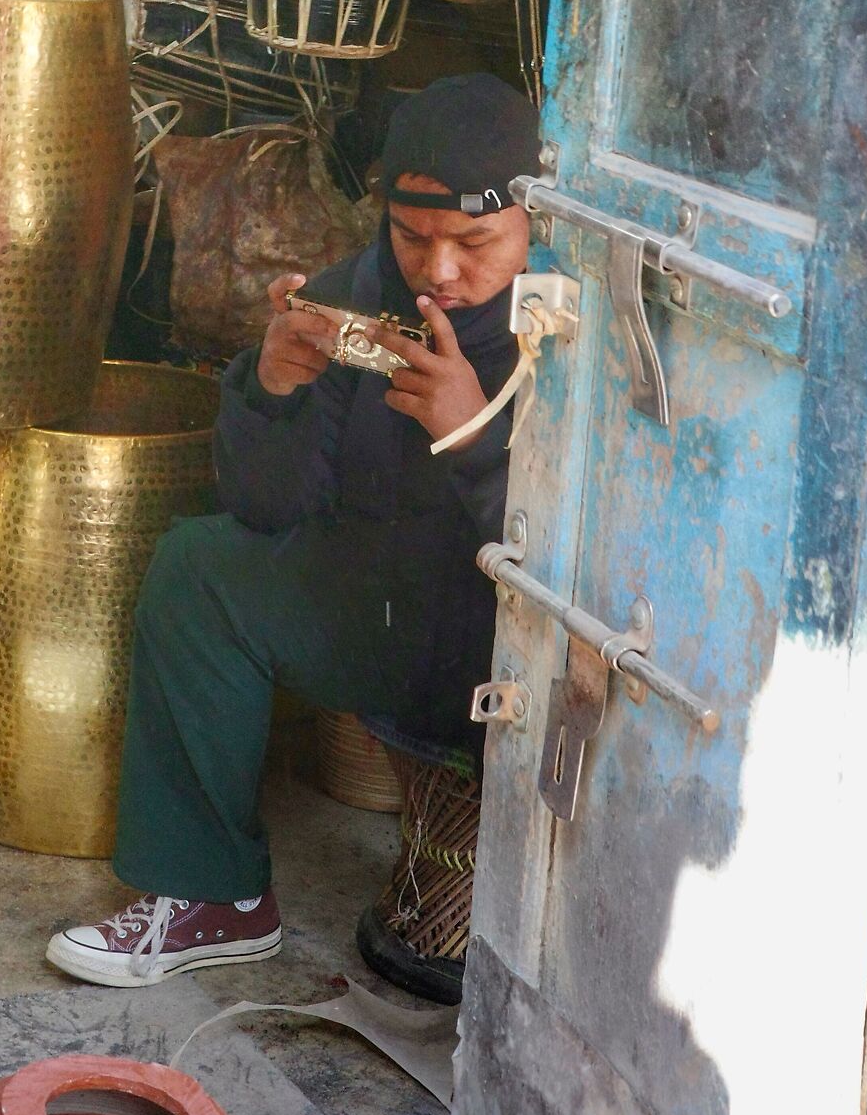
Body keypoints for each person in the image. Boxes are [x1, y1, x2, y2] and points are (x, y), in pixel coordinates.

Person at [47, 72, 539, 988]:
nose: (439, 270)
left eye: (476, 242)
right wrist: (271, 388)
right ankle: (213, 896)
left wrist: (475, 438)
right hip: (389, 618)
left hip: (516, 666)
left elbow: (585, 574)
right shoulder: (358, 292)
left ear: (535, 221)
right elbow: (265, 512)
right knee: (202, 568)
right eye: (411, 235)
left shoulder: (576, 326)